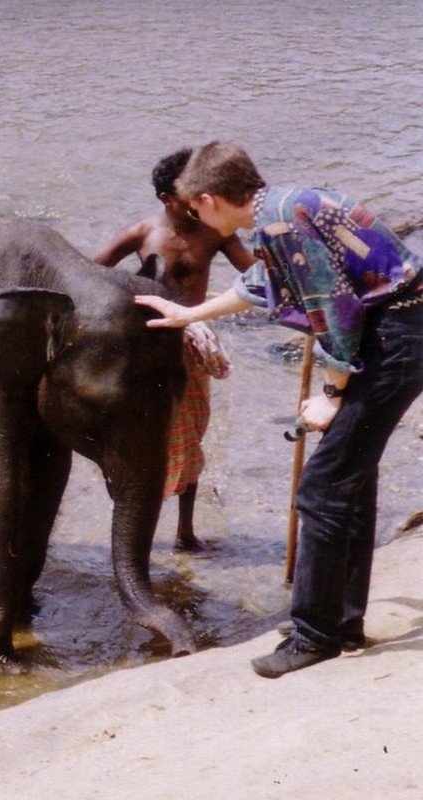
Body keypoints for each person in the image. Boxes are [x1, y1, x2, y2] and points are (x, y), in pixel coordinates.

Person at [135, 141, 423, 678]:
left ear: (210, 199)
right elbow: (262, 284)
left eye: (195, 211)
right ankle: (342, 623)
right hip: (402, 330)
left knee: (322, 489)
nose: (196, 221)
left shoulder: (283, 222)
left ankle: (315, 636)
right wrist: (190, 313)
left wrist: (333, 395)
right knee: (349, 480)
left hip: (395, 339)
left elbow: (333, 308)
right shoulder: (283, 210)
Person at [95, 148, 257, 550]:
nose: (199, 200)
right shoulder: (142, 233)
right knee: (145, 432)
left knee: (191, 433)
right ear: (168, 199)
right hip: (147, 344)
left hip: (190, 341)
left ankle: (185, 530)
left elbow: (253, 272)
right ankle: (135, 528)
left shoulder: (216, 232)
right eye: (190, 194)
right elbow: (93, 272)